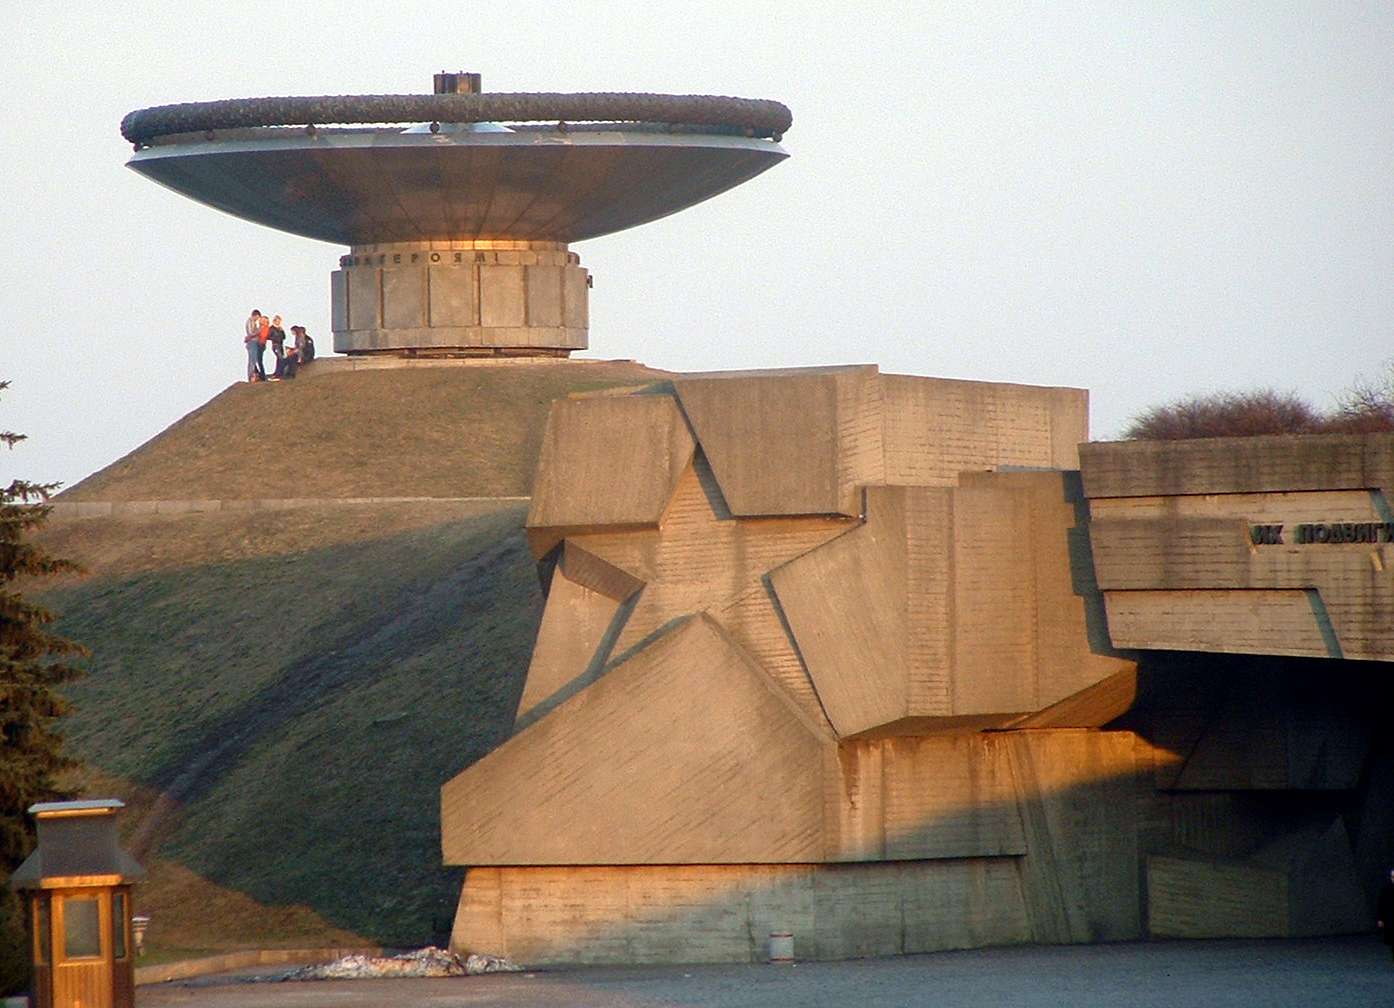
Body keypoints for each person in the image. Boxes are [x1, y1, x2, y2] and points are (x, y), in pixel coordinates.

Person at [244, 309, 263, 382]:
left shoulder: (252, 322)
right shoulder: (250, 321)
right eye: (257, 317)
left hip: (253, 342)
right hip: (252, 342)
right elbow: (251, 332)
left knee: (253, 359)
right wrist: (259, 329)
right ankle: (251, 375)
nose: (257, 319)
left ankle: (253, 375)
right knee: (252, 360)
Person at [1379, 867, 1394, 962]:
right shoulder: (1386, 889)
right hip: (1391, 919)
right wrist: (1381, 919)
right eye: (1392, 877)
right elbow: (1382, 904)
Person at [268, 315, 287, 379]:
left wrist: (282, 331)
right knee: (280, 358)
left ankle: (278, 373)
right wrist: (275, 338)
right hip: (275, 345)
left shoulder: (280, 329)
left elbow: (284, 337)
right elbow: (268, 337)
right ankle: (278, 373)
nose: (278, 323)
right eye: (277, 321)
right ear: (274, 321)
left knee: (279, 359)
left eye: (279, 321)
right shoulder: (271, 328)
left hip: (280, 345)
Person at [254, 312, 271, 382]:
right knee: (256, 359)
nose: (262, 321)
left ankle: (262, 375)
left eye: (264, 320)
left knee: (259, 360)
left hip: (261, 344)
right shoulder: (260, 327)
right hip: (259, 343)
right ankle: (259, 374)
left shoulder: (266, 328)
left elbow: (263, 335)